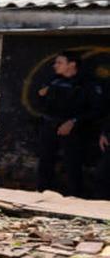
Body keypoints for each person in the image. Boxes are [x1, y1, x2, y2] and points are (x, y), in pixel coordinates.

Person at [35, 51, 90, 195]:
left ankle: (75, 197)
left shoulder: (85, 84)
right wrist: (41, 96)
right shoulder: (52, 80)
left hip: (72, 129)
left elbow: (95, 110)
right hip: (49, 126)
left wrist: (73, 122)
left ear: (72, 64)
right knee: (45, 162)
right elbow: (41, 102)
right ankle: (42, 193)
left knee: (72, 164)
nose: (55, 66)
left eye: (59, 63)